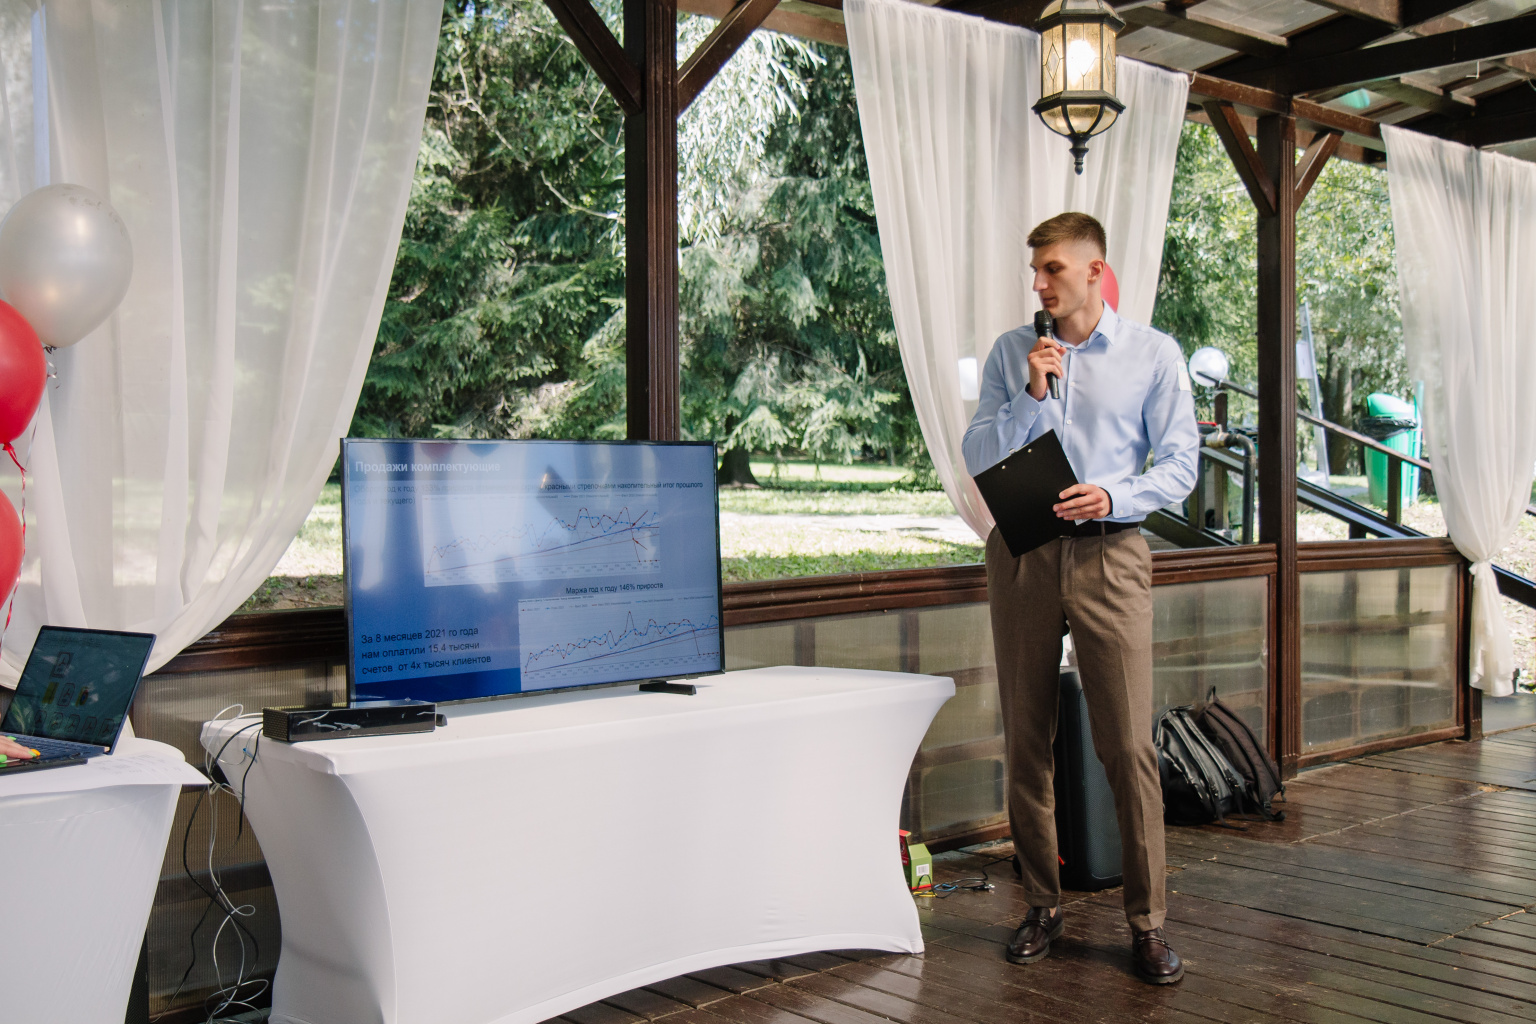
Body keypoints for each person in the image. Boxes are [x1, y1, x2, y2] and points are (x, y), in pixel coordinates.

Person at [961, 212, 1199, 985]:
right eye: (1035, 270)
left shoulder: (1153, 355)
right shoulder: (1013, 353)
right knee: (1027, 739)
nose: (1038, 283)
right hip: (1023, 554)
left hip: (1110, 554)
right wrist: (1032, 394)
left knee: (1126, 745)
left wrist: (1116, 494)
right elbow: (976, 452)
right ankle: (1041, 905)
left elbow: (1182, 464)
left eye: (1052, 269)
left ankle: (1148, 923)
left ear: (1095, 271)